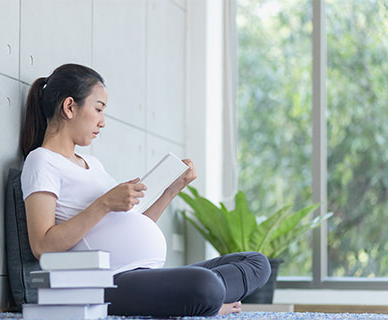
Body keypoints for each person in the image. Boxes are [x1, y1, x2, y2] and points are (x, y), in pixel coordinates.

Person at [20, 63, 271, 317]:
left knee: (256, 262)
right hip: (107, 283)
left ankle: (199, 297)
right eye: (98, 109)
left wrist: (173, 189)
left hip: (145, 276)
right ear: (70, 107)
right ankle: (207, 300)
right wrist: (105, 203)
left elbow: (132, 226)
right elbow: (42, 245)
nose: (102, 122)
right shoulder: (42, 161)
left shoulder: (93, 164)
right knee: (206, 285)